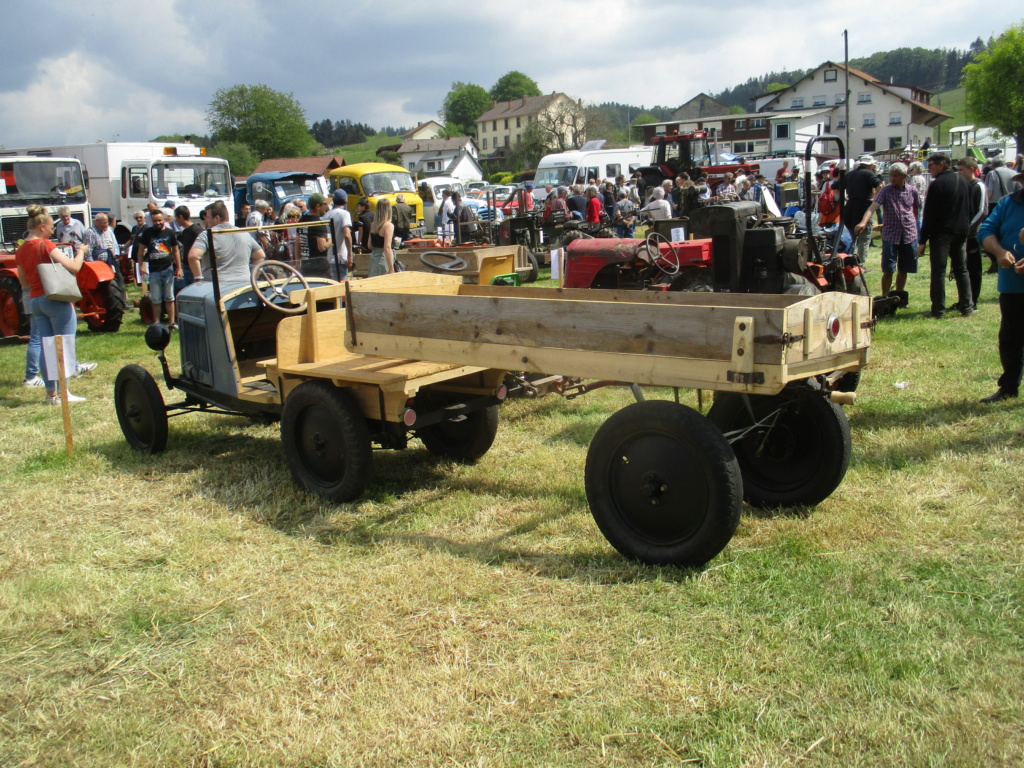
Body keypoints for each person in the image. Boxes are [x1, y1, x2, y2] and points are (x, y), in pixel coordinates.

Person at [15, 204, 95, 404]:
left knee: (47, 346)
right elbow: (74, 267)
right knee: (64, 346)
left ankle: (51, 394)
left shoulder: (21, 249)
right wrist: (82, 251)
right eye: (51, 227)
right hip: (56, 299)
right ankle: (64, 393)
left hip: (35, 300)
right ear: (41, 226)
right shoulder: (46, 245)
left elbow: (23, 281)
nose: (53, 230)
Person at [976, 169, 1024, 402]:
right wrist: (999, 251)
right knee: (1010, 337)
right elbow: (985, 230)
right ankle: (1009, 387)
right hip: (1013, 284)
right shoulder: (1008, 203)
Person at [854, 162, 921, 301]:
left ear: (904, 176)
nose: (892, 178)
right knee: (888, 268)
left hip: (908, 234)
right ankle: (885, 298)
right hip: (891, 235)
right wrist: (863, 222)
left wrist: (913, 224)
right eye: (891, 175)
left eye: (896, 175)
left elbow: (916, 210)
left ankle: (898, 296)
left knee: (904, 268)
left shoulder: (912, 190)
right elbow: (873, 207)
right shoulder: (886, 190)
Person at [918, 153, 973, 318]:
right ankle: (967, 306)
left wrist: (922, 240)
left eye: (931, 165)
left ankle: (938, 310)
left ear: (941, 164)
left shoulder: (938, 184)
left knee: (939, 271)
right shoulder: (964, 181)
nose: (929, 169)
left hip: (942, 233)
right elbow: (969, 208)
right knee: (961, 270)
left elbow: (929, 214)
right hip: (961, 231)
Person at [187, 201, 265, 284]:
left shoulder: (208, 234)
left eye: (208, 217)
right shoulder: (244, 233)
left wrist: (199, 280)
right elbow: (260, 255)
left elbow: (193, 256)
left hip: (217, 288)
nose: (206, 220)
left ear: (217, 218)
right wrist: (253, 278)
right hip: (243, 286)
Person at [138, 209, 182, 329]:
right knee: (156, 299)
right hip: (154, 271)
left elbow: (176, 251)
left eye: (159, 220)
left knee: (169, 297)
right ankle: (157, 323)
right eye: (155, 221)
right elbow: (141, 250)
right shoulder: (147, 233)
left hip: (168, 269)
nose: (157, 223)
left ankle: (172, 322)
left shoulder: (170, 233)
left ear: (164, 220)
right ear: (151, 221)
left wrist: (179, 267)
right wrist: (141, 265)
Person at [958, 157, 988, 311]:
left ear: (971, 170)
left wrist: (967, 229)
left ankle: (973, 300)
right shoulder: (964, 186)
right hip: (963, 235)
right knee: (963, 269)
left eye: (961, 170)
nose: (959, 173)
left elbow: (982, 212)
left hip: (973, 235)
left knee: (974, 269)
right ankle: (964, 299)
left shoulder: (978, 186)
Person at [842, 155, 882, 265]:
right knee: (864, 239)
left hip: (850, 207)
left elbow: (837, 186)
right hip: (864, 207)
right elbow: (880, 186)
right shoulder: (868, 174)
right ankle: (860, 264)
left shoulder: (850, 174)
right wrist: (875, 199)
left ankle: (848, 262)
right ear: (869, 165)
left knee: (850, 237)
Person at [298, 193, 331, 275]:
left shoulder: (302, 220)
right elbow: (322, 247)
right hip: (319, 266)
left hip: (305, 265)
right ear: (318, 206)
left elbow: (297, 242)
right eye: (324, 204)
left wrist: (298, 261)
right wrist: (331, 239)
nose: (326, 207)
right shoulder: (318, 223)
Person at [324, 190, 353, 280]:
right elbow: (347, 234)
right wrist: (350, 255)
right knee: (341, 288)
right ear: (346, 201)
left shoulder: (326, 215)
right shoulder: (344, 214)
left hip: (328, 257)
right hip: (340, 257)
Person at [173, 206, 204, 286]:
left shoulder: (196, 230)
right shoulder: (185, 231)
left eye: (176, 218)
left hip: (195, 267)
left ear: (180, 217)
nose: (176, 220)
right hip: (187, 266)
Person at [368, 198, 395, 276]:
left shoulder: (373, 225)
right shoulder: (388, 226)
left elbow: (369, 245)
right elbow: (387, 247)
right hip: (384, 259)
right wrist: (391, 267)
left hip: (374, 259)